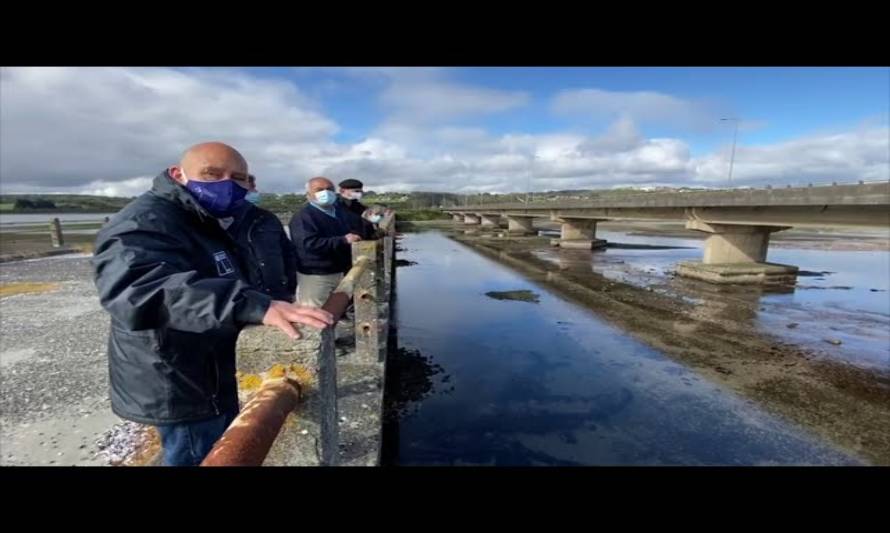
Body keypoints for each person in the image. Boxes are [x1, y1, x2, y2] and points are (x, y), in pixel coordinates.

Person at [92, 142, 333, 466]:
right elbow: (137, 289)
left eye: (237, 177)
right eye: (212, 174)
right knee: (198, 453)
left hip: (213, 363)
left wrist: (272, 300)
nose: (226, 184)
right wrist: (252, 305)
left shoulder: (212, 217)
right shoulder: (145, 220)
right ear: (178, 174)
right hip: (179, 374)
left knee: (225, 441)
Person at [289, 176, 363, 307]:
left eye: (329, 189)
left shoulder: (339, 213)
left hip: (340, 271)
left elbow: (356, 227)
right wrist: (343, 240)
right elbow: (308, 244)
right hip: (316, 276)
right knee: (314, 314)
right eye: (319, 190)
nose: (325, 193)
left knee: (338, 311)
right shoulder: (303, 217)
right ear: (308, 194)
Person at [227, 174, 298, 302]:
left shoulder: (267, 218)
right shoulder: (218, 221)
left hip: (277, 295)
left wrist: (290, 287)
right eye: (250, 187)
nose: (254, 191)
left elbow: (288, 253)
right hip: (240, 301)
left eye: (253, 187)